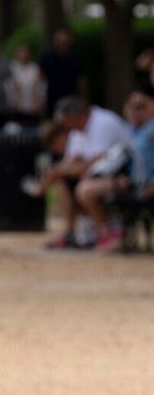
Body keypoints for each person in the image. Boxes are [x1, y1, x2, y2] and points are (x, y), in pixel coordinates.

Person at [41, 95, 133, 249]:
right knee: (63, 182)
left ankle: (108, 231)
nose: (65, 127)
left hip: (124, 174)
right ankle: (71, 232)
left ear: (78, 115)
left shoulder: (103, 122)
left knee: (85, 189)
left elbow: (98, 162)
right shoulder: (77, 129)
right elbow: (72, 160)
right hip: (99, 175)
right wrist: (56, 171)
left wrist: (70, 169)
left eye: (66, 121)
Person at [77, 89, 154, 253]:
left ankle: (112, 232)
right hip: (129, 181)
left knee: (86, 189)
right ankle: (107, 231)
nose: (134, 111)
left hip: (145, 185)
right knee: (84, 187)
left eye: (141, 106)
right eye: (131, 106)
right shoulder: (130, 130)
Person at [39, 27, 86, 117]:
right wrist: (41, 97)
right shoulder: (47, 56)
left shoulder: (75, 57)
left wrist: (83, 98)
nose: (63, 42)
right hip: (52, 96)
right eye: (60, 39)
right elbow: (41, 77)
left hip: (71, 95)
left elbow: (81, 79)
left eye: (65, 39)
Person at [6, 43, 46, 122]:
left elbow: (41, 86)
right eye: (21, 52)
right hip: (16, 106)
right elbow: (8, 86)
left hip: (33, 106)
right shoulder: (11, 68)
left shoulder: (35, 68)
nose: (23, 55)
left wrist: (40, 101)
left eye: (25, 52)